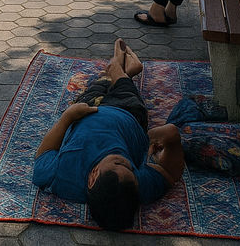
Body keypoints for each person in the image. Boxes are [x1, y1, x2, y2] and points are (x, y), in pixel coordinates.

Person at [32, 39, 184, 230]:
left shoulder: (60, 177)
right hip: (127, 111)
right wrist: (171, 136)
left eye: (119, 163)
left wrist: (67, 118)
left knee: (100, 83)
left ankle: (123, 70)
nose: (128, 163)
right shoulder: (133, 186)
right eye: (131, 169)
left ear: (92, 177)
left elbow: (42, 155)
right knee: (119, 82)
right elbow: (171, 174)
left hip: (86, 109)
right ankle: (121, 71)